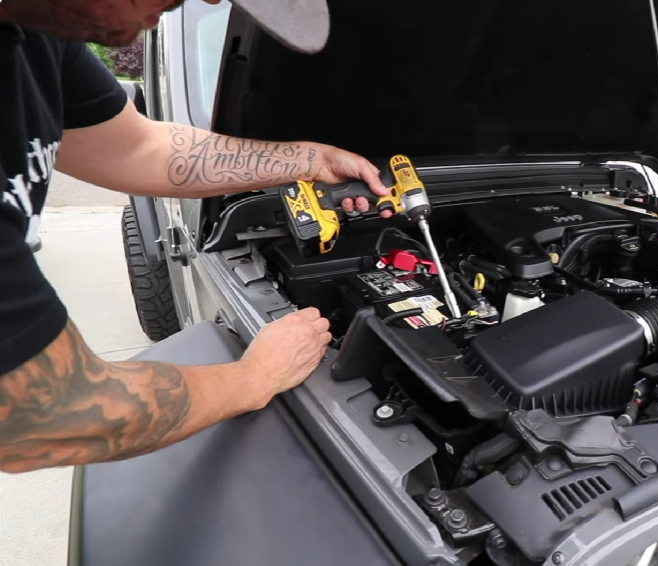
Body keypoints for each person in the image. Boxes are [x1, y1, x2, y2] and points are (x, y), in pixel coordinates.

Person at [0, 0, 386, 473]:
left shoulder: (37, 36)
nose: (207, 0)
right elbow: (43, 415)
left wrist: (310, 159)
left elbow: (138, 148)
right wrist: (253, 377)